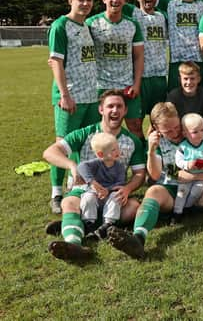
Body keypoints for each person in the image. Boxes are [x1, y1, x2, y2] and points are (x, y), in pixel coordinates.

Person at [106, 102, 203, 259]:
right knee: (153, 191)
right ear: (157, 130)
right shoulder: (158, 143)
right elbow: (156, 175)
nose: (175, 133)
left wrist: (194, 176)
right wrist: (151, 151)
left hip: (201, 190)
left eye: (177, 127)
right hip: (172, 194)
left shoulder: (196, 134)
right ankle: (138, 238)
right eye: (168, 131)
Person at [43, 90, 146, 261]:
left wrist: (128, 188)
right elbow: (49, 152)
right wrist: (72, 166)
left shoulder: (132, 141)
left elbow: (140, 173)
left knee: (135, 207)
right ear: (101, 110)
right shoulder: (86, 133)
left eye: (119, 106)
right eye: (110, 106)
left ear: (125, 111)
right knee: (68, 202)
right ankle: (74, 245)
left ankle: (77, 224)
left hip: (113, 192)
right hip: (84, 190)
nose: (115, 110)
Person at [73, 0, 168, 118]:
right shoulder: (134, 13)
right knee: (132, 121)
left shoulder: (164, 15)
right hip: (139, 77)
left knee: (157, 119)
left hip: (160, 76)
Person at [47, 0, 99, 213]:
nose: (86, 3)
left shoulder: (87, 26)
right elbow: (56, 62)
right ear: (70, 1)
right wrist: (65, 95)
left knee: (86, 145)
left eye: (89, 0)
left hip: (90, 96)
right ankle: (56, 193)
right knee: (62, 145)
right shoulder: (60, 26)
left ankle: (78, 184)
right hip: (70, 96)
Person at [86, 0, 145, 140]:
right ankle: (100, 161)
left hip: (126, 85)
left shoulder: (132, 25)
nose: (115, 0)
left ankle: (141, 163)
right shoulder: (91, 23)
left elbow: (139, 56)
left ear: (124, 0)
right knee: (100, 127)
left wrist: (136, 83)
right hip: (101, 85)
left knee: (135, 126)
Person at [166, 62, 203, 155]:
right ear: (180, 79)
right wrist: (184, 132)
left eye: (192, 79)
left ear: (198, 79)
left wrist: (199, 131)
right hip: (181, 132)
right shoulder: (173, 96)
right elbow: (169, 117)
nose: (189, 82)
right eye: (185, 79)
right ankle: (173, 161)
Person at [172, 113, 203, 223]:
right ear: (185, 134)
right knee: (182, 192)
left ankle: (188, 208)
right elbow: (178, 161)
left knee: (196, 191)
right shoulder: (183, 146)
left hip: (202, 176)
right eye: (195, 132)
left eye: (202, 130)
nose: (200, 134)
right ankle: (177, 213)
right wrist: (187, 164)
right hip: (187, 175)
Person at [75, 132, 127, 240]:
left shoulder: (119, 166)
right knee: (88, 198)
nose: (117, 151)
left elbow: (120, 183)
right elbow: (81, 166)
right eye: (113, 150)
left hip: (109, 194)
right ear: (100, 155)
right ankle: (89, 225)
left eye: (117, 148)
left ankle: (108, 225)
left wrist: (107, 190)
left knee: (116, 197)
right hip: (96, 194)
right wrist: (92, 182)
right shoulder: (96, 163)